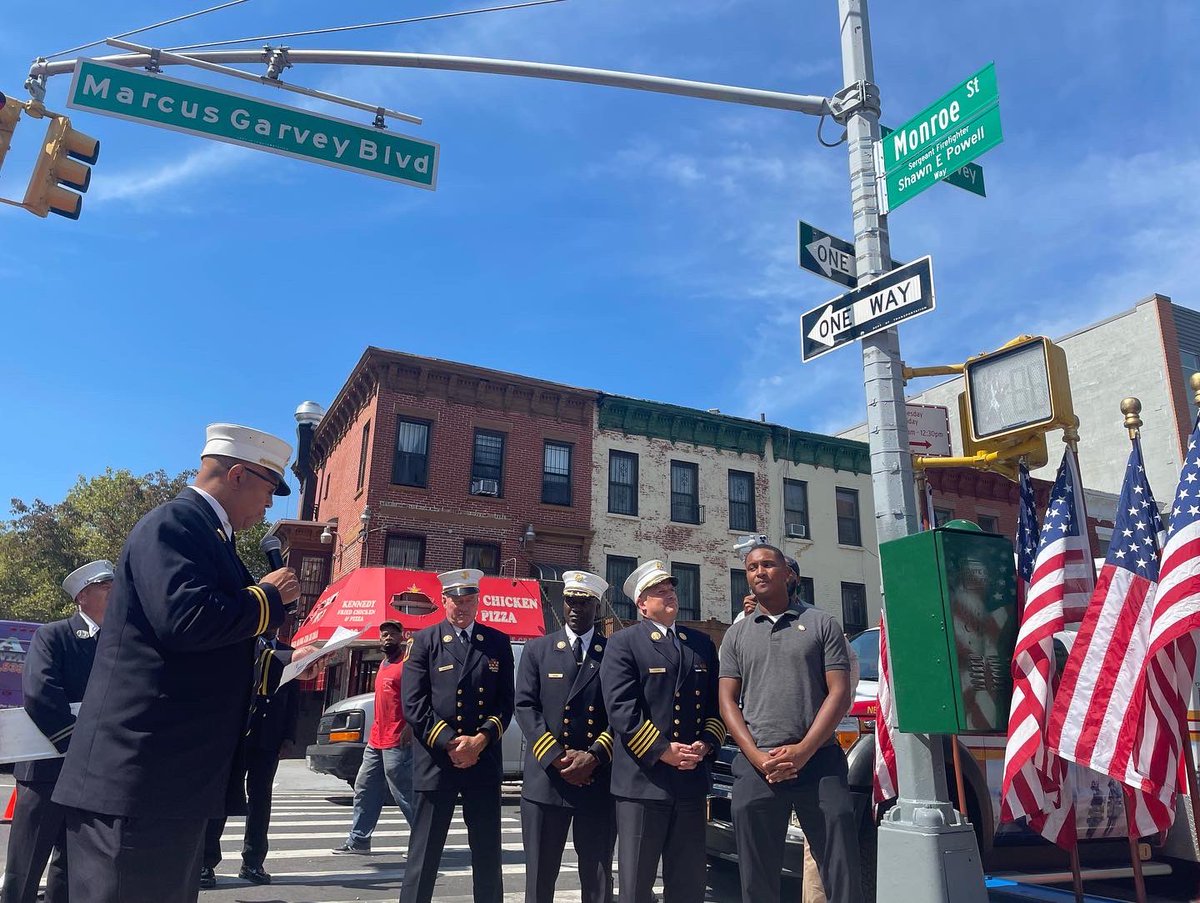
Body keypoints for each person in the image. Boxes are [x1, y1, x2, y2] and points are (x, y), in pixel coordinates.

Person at [51, 423, 301, 903]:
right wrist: (267, 598)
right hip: (144, 777)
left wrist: (287, 661)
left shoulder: (207, 534)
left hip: (169, 780)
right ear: (238, 475)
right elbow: (187, 620)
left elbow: (206, 648)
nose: (270, 505)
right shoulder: (175, 524)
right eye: (270, 489)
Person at [718, 544, 863, 903]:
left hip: (818, 761)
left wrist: (802, 751)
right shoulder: (736, 634)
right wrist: (756, 756)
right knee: (756, 876)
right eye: (752, 567)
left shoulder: (822, 623)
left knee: (840, 869)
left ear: (788, 574)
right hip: (757, 767)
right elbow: (726, 701)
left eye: (768, 564)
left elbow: (839, 693)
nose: (759, 572)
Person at [600, 559, 725, 903]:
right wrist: (663, 751)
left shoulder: (700, 644)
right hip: (644, 782)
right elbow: (621, 710)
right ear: (641, 603)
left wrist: (705, 745)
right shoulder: (624, 643)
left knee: (688, 883)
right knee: (637, 885)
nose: (669, 594)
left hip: (690, 781)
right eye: (659, 591)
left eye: (671, 589)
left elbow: (716, 708)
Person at [399, 569, 514, 903]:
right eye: (456, 601)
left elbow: (506, 702)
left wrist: (479, 741)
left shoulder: (496, 642)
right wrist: (451, 742)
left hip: (482, 759)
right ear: (442, 601)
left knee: (487, 851)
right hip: (437, 761)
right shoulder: (424, 641)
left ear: (478, 602)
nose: (462, 608)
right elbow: (414, 703)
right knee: (425, 852)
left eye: (469, 600)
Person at [1, 560, 113, 903]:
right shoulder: (54, 635)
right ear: (82, 596)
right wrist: (80, 744)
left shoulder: (118, 641)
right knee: (27, 862)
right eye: (108, 590)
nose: (117, 596)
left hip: (91, 772)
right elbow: (41, 695)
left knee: (72, 862)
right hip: (49, 768)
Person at [515, 570, 616, 903]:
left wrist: (594, 756)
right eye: (571, 601)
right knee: (540, 878)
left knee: (598, 877)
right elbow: (525, 707)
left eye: (585, 603)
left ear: (597, 608)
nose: (576, 608)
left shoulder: (612, 652)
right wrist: (557, 758)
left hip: (596, 779)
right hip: (547, 780)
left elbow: (623, 713)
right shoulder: (538, 649)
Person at [201, 628, 301, 887]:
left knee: (261, 800)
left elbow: (293, 700)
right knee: (221, 797)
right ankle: (205, 862)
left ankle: (253, 862)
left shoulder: (290, 653)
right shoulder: (238, 645)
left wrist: (289, 737)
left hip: (269, 739)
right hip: (236, 735)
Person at [329, 619, 415, 855]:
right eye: (384, 634)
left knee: (404, 792)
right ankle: (359, 840)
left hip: (398, 739)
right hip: (376, 739)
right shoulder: (384, 664)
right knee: (365, 788)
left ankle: (423, 840)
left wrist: (411, 725)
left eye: (393, 634)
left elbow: (418, 698)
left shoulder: (407, 664)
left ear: (402, 636)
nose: (388, 637)